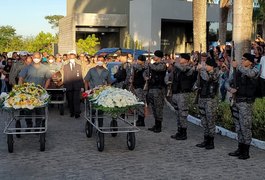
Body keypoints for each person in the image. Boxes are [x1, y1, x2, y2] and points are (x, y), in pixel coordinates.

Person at [225, 53, 259, 160]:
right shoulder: (238, 71)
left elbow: (250, 74)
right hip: (236, 101)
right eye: (242, 59)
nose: (242, 61)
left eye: (244, 59)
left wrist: (237, 67)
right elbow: (227, 82)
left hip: (246, 103)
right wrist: (230, 89)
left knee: (245, 127)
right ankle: (240, 148)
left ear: (250, 62)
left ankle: (246, 151)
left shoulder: (255, 70)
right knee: (238, 127)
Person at [18, 52, 51, 130]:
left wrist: (44, 89)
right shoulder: (27, 68)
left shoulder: (45, 68)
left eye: (38, 57)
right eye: (35, 57)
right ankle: (29, 125)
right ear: (32, 57)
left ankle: (37, 125)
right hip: (28, 93)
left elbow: (48, 79)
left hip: (40, 93)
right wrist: (20, 89)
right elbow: (21, 78)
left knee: (39, 110)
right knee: (28, 110)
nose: (36, 59)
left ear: (41, 58)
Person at [170, 53, 197, 140]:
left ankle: (183, 133)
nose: (179, 60)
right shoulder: (178, 68)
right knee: (178, 114)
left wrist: (174, 63)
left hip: (184, 94)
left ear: (186, 60)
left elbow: (183, 69)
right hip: (176, 93)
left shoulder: (189, 67)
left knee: (183, 114)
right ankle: (179, 131)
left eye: (180, 58)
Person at [195, 57, 219, 149]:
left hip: (210, 100)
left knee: (210, 121)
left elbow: (207, 78)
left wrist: (202, 69)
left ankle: (211, 142)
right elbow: (198, 82)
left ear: (212, 66)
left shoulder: (215, 73)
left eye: (207, 65)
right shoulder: (203, 72)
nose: (205, 66)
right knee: (204, 121)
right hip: (202, 98)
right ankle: (205, 140)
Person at [84, 55, 111, 127]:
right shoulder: (91, 70)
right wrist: (86, 91)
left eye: (101, 61)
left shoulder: (106, 72)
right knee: (92, 111)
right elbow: (86, 80)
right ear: (96, 61)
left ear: (104, 61)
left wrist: (108, 90)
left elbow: (109, 83)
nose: (100, 62)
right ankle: (90, 125)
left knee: (100, 111)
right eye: (99, 60)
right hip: (92, 93)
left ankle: (100, 127)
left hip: (102, 94)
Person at [144, 50, 167, 133]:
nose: (154, 57)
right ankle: (156, 124)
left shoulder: (162, 65)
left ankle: (159, 126)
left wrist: (149, 64)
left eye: (155, 56)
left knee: (158, 107)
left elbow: (157, 69)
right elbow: (148, 72)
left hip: (159, 88)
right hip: (152, 87)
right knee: (153, 107)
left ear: (159, 57)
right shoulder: (153, 64)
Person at [62, 50, 84, 118]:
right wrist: (64, 86)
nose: (72, 59)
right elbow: (65, 76)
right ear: (69, 58)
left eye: (73, 57)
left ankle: (77, 113)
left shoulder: (79, 66)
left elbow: (81, 76)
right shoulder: (65, 66)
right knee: (70, 100)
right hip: (68, 85)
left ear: (75, 58)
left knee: (76, 100)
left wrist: (82, 86)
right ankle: (72, 112)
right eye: (70, 58)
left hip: (77, 85)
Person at [131, 55, 147, 126]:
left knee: (140, 103)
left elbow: (144, 76)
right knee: (138, 103)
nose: (137, 61)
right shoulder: (138, 67)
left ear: (142, 61)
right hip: (136, 86)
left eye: (138, 60)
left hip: (141, 87)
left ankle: (141, 121)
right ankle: (139, 120)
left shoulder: (144, 67)